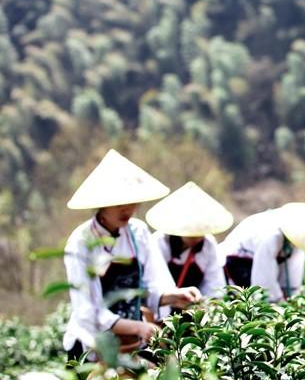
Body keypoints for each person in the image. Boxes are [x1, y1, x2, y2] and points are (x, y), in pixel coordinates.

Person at [63, 149, 202, 360]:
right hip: (93, 346)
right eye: (119, 204)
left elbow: (145, 289)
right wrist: (136, 327)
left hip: (132, 345)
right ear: (102, 204)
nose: (127, 210)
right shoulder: (81, 242)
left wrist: (172, 297)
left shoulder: (139, 233)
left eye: (133, 202)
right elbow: (87, 311)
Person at [219, 202, 305, 301]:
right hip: (233, 266)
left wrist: (292, 302)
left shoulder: (298, 240)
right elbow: (263, 287)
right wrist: (279, 306)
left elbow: (292, 284)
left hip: (255, 266)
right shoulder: (270, 236)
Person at [146, 182, 232, 303]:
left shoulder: (208, 245)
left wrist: (206, 307)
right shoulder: (159, 242)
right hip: (161, 307)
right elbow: (154, 283)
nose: (195, 236)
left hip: (195, 308)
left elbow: (215, 286)